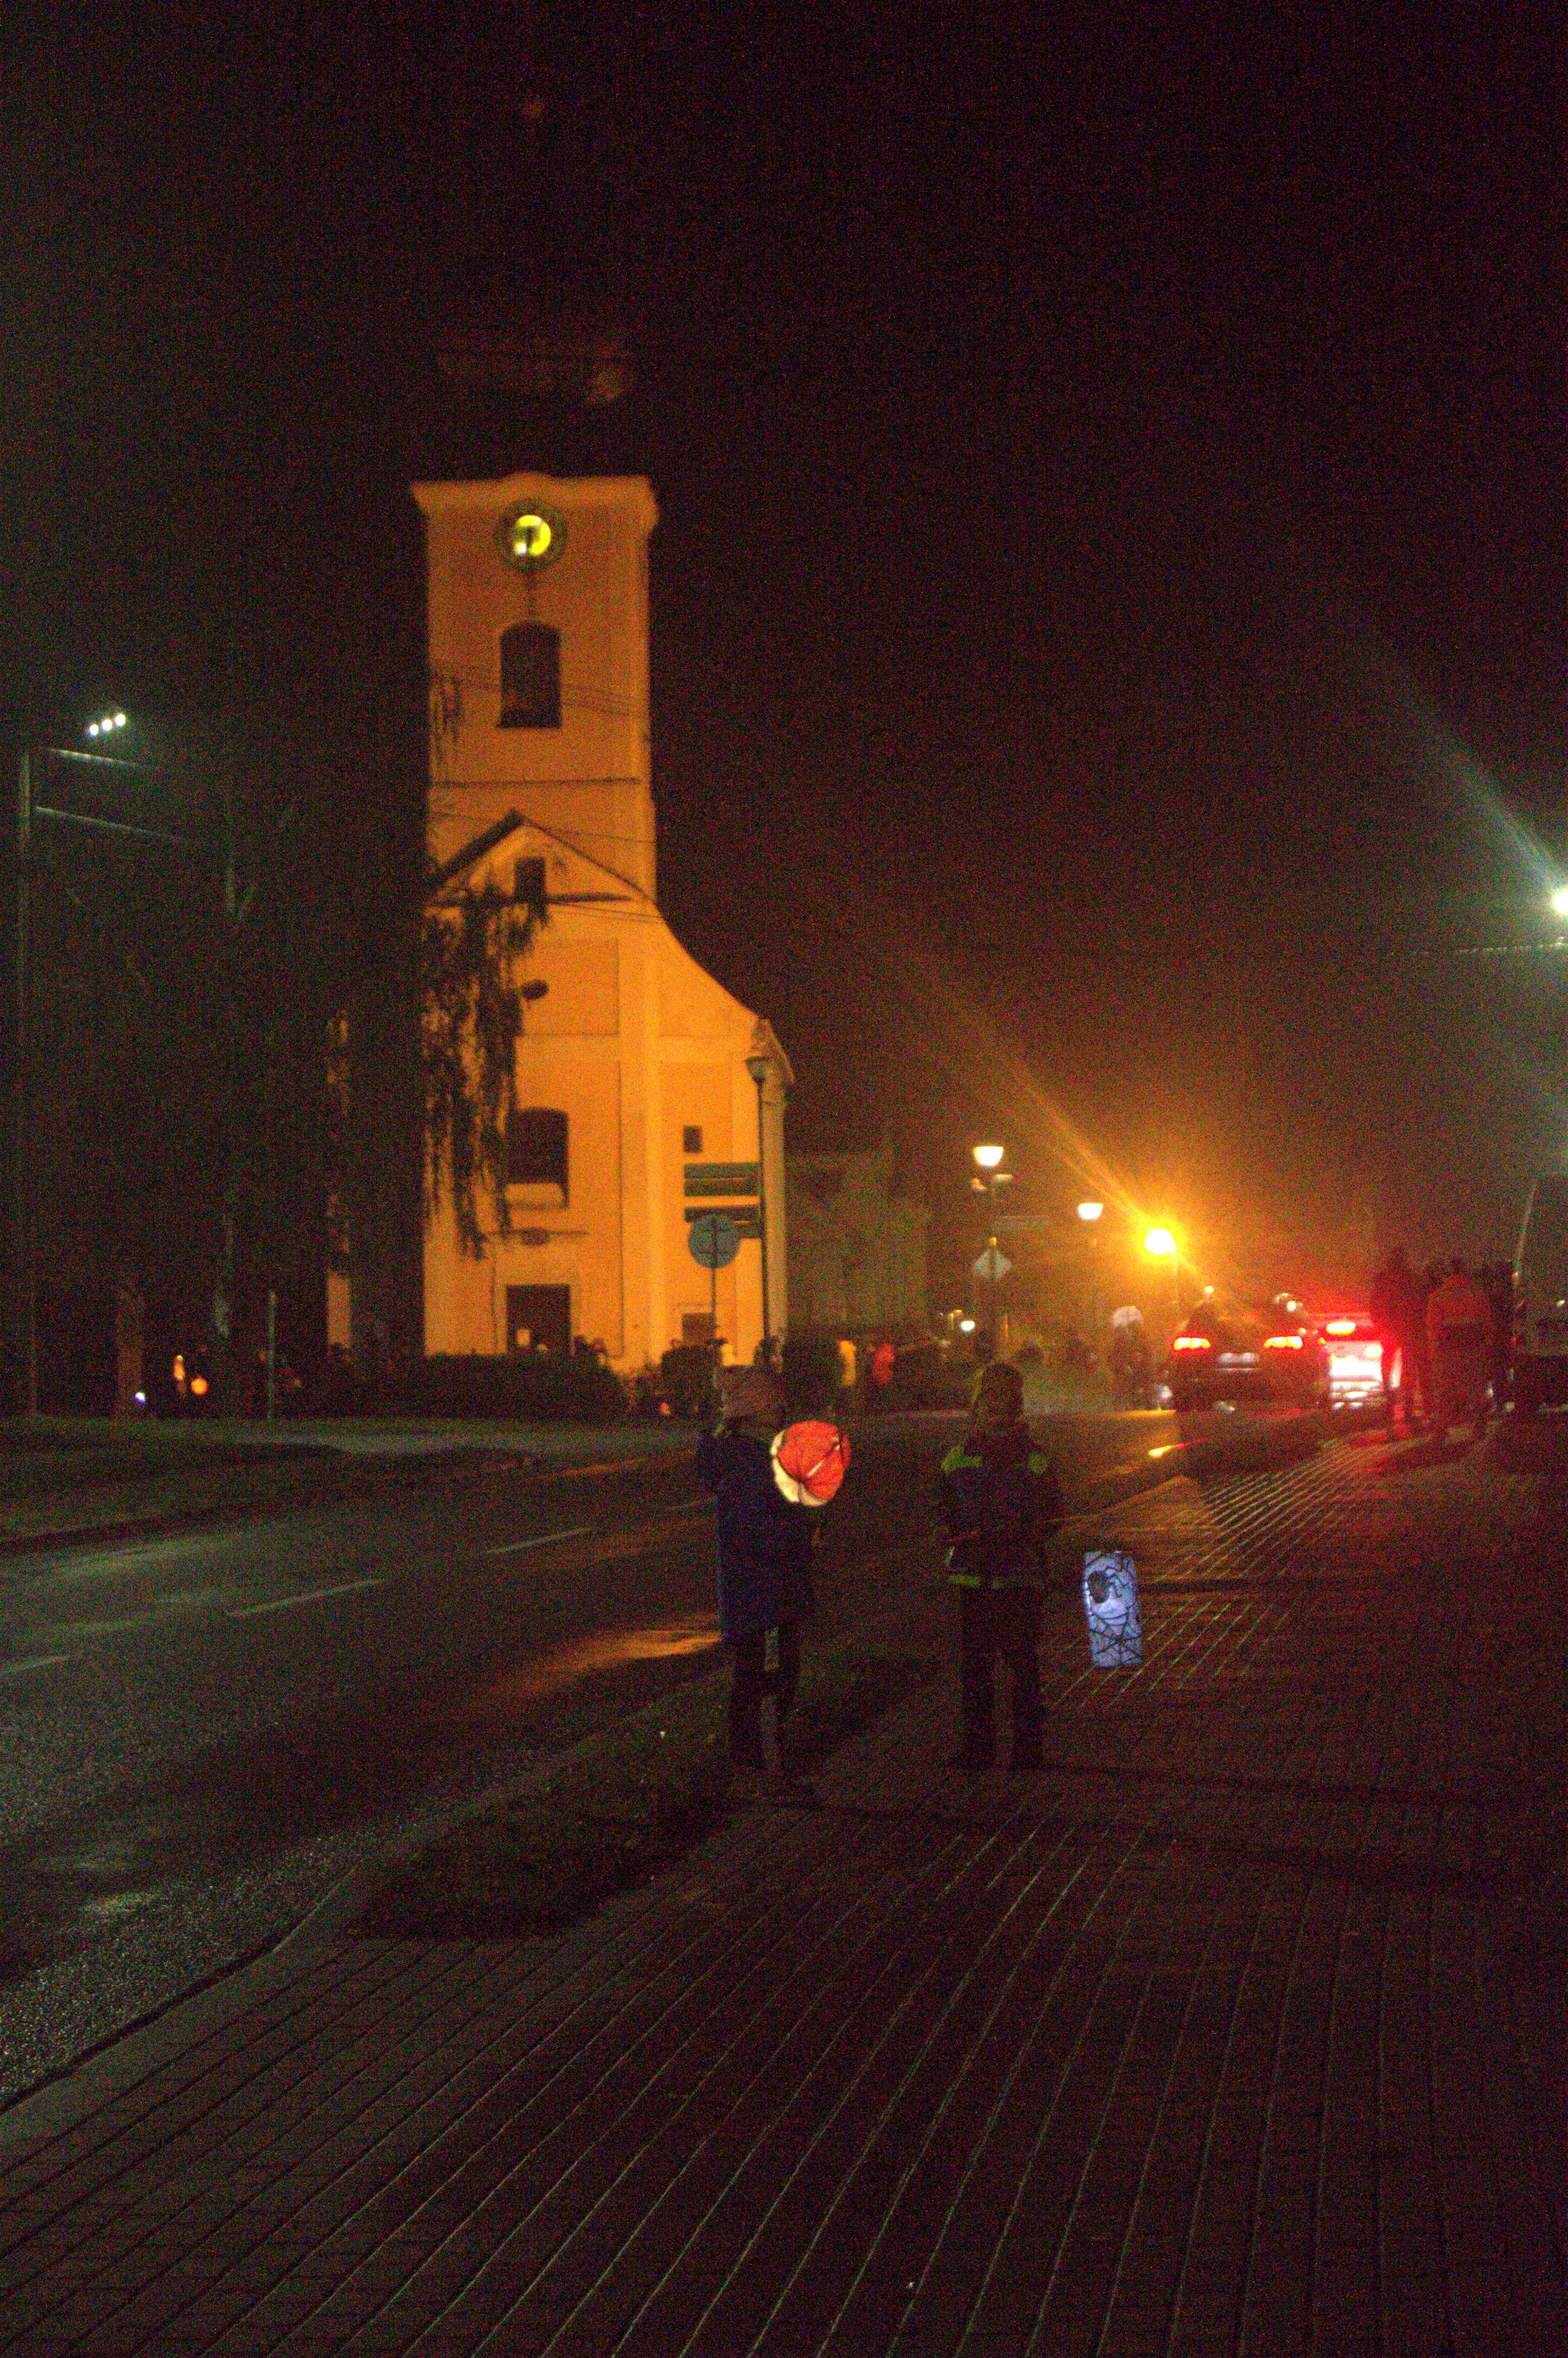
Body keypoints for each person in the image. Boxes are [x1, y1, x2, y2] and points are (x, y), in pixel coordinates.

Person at [936, 1360, 1065, 1773]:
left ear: (1016, 1408)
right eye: (987, 1401)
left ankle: (1027, 1750)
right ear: (975, 1407)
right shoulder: (956, 1459)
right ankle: (979, 1748)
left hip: (1019, 1579)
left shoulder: (1034, 1460)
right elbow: (942, 1510)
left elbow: (1054, 1515)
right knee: (975, 1668)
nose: (994, 1410)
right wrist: (952, 1532)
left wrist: (1026, 1532)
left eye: (1003, 1401)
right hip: (973, 1579)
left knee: (1022, 1664)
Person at [696, 1363, 817, 1785]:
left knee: (761, 1677)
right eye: (774, 1403)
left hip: (763, 1590)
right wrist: (800, 1539)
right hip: (764, 1592)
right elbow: (756, 1531)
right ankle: (763, 1772)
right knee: (767, 1681)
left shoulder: (753, 1457)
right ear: (755, 1410)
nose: (783, 1409)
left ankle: (757, 1765)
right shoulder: (749, 1464)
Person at [1425, 1256, 1493, 1442]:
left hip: (1448, 1349)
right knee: (1476, 1388)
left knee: (1445, 1390)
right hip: (1474, 1346)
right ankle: (1479, 1426)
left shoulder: (1439, 1296)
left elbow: (1433, 1327)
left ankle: (1441, 1429)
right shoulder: (1477, 1293)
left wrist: (1433, 1350)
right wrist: (1488, 1344)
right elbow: (1487, 1322)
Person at [1370, 1245, 1419, 1427]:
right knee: (1408, 1368)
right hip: (1406, 1328)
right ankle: (1408, 1406)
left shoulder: (1382, 1279)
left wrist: (1379, 1325)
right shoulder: (1411, 1278)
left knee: (1387, 1366)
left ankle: (1390, 1401)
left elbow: (1374, 1304)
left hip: (1388, 1329)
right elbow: (1417, 1304)